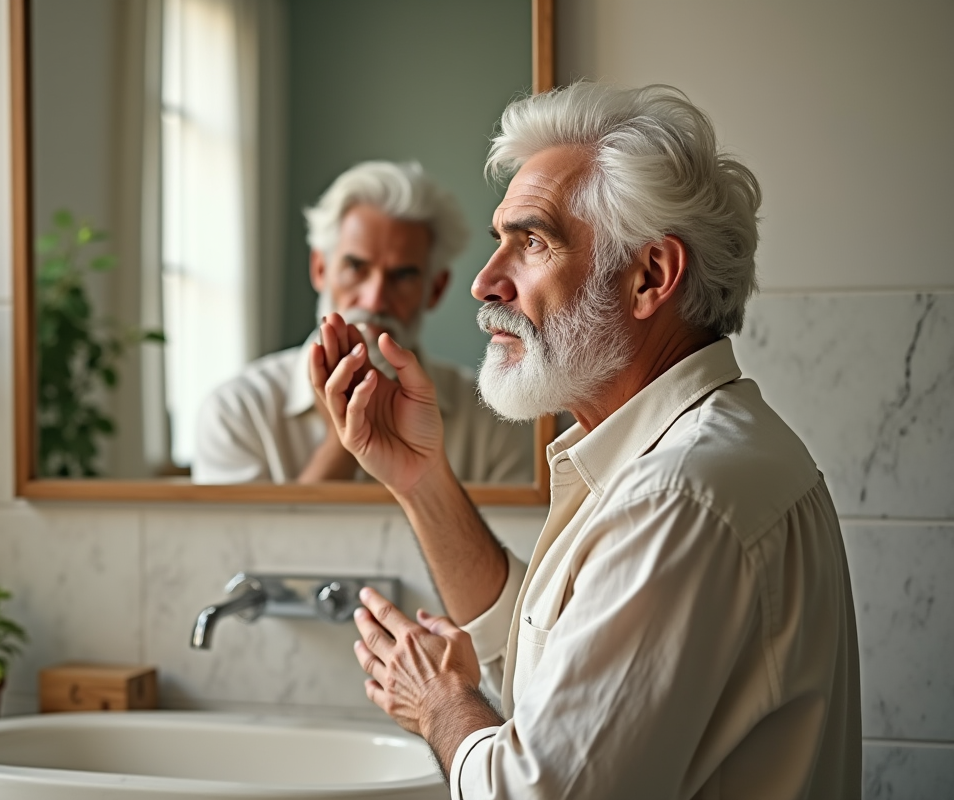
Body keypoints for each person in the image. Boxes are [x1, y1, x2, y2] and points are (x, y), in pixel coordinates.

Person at [312, 83, 861, 798]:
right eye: (498, 242)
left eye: (532, 241)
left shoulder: (681, 495)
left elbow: (541, 792)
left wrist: (441, 704)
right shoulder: (683, 459)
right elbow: (550, 663)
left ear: (649, 276)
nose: (485, 283)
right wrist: (420, 480)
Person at [193, 161, 534, 485]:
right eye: (356, 267)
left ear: (435, 289)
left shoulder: (492, 421)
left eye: (402, 276)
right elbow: (248, 549)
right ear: (320, 270)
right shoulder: (237, 412)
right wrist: (345, 438)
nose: (374, 300)